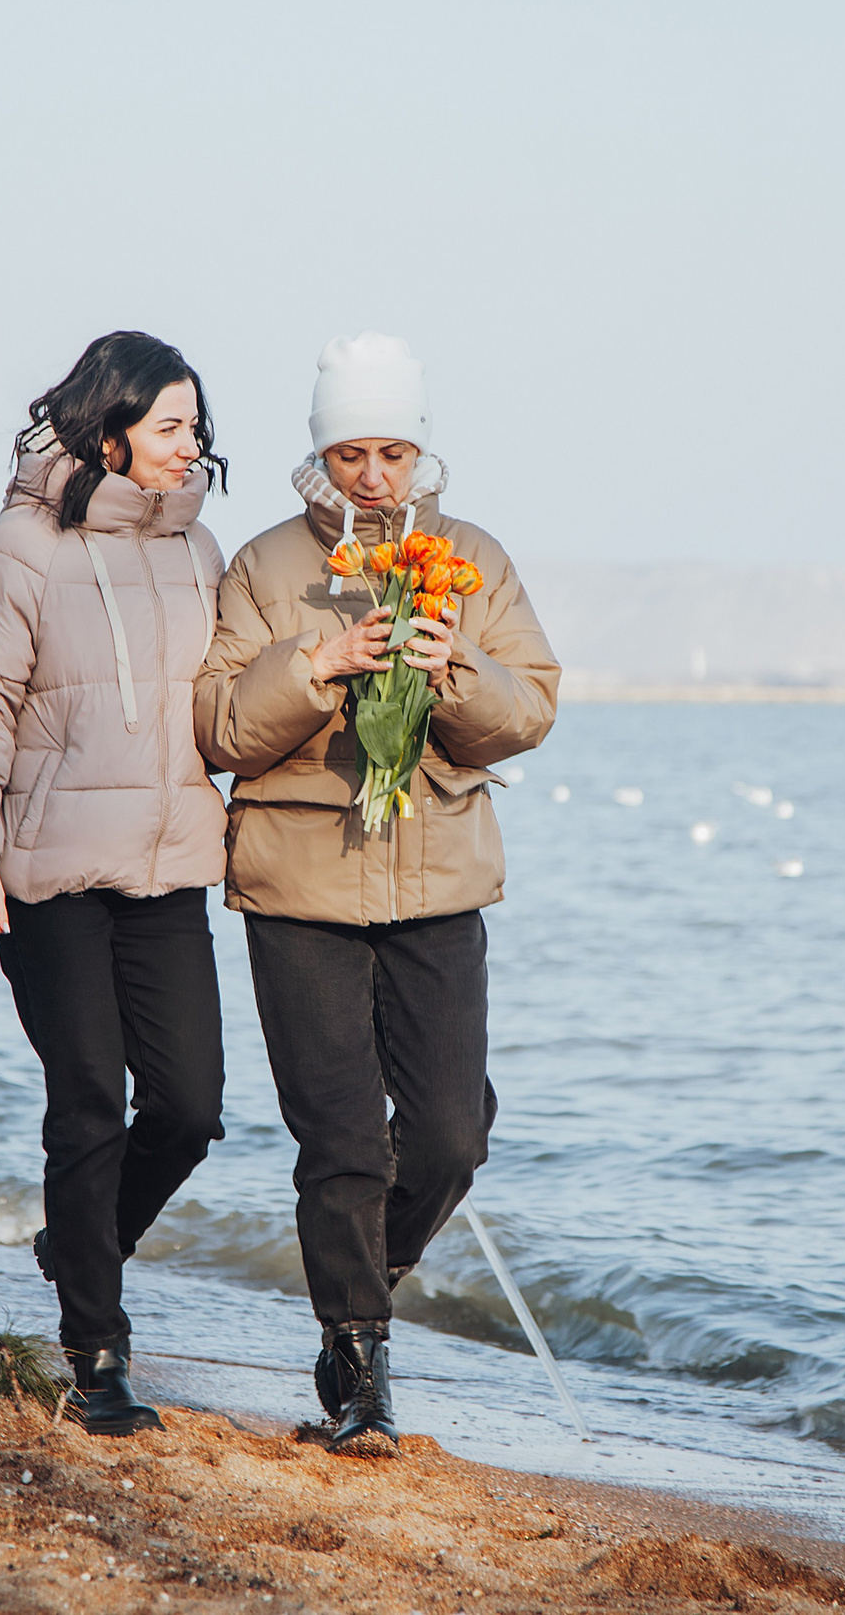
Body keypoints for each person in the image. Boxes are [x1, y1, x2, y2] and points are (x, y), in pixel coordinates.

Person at [195, 332, 559, 1455]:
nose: (371, 475)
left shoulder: (474, 556)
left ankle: (362, 1284)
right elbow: (218, 725)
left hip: (441, 877)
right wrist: (318, 664)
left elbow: (531, 708)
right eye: (349, 451)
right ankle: (357, 1364)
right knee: (342, 1142)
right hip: (298, 887)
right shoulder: (261, 566)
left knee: (452, 1132)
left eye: (392, 450)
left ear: (418, 452)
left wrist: (455, 665)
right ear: (321, 455)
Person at [0, 330, 230, 1436]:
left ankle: (74, 1243)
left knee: (188, 1107)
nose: (193, 445)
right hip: (44, 872)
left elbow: (225, 709)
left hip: (168, 867)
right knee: (89, 1096)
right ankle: (97, 1349)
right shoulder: (20, 550)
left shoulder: (201, 550)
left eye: (197, 426)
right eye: (171, 427)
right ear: (111, 432)